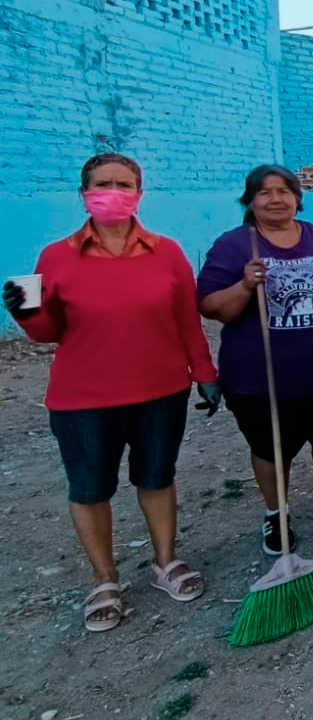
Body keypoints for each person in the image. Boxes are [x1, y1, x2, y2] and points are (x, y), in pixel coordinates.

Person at [3, 153, 217, 632]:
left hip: (161, 390)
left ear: (139, 193)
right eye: (103, 183)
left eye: (124, 183)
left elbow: (187, 320)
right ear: (84, 192)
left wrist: (204, 373)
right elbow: (47, 332)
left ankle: (166, 561)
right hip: (83, 397)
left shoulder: (167, 253)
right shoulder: (56, 257)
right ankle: (104, 579)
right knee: (89, 487)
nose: (114, 191)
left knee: (157, 477)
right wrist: (24, 312)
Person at [197, 165, 313, 554]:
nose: (276, 198)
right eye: (264, 192)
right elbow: (213, 307)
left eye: (284, 190)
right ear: (249, 201)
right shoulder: (233, 246)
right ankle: (275, 514)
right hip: (261, 379)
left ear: (298, 198)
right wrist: (245, 284)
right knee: (270, 448)